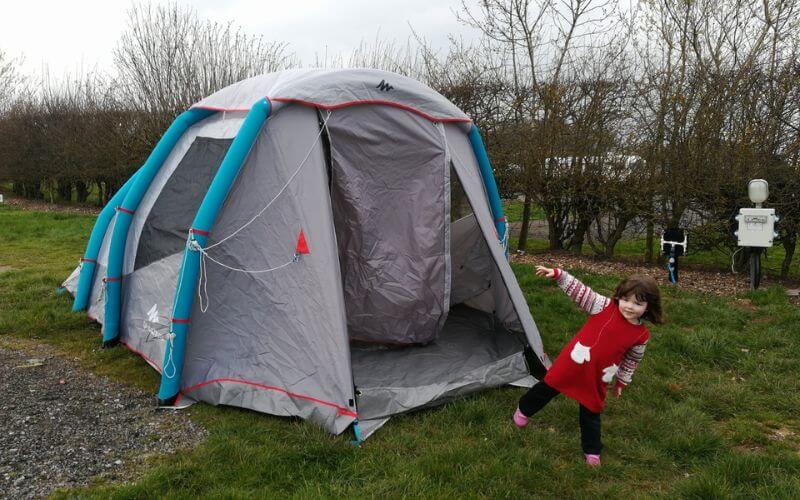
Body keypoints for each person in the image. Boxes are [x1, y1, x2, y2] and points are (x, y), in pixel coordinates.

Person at [513, 265, 665, 467]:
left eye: (637, 303)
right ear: (618, 296)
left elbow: (631, 361)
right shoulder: (603, 306)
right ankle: (523, 409)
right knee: (547, 388)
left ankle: (592, 451)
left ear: (649, 307)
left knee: (591, 411)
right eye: (625, 299)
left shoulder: (641, 336)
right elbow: (581, 291)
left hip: (597, 376)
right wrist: (559, 275)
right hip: (571, 363)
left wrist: (622, 381)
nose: (629, 306)